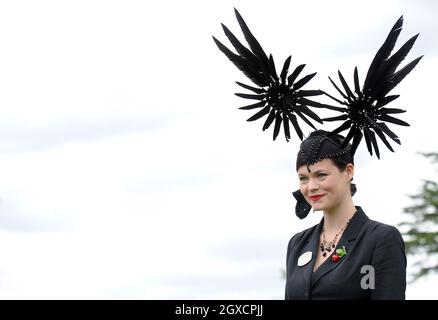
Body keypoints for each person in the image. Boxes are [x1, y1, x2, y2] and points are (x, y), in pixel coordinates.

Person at [284, 130, 406, 299]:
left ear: (348, 171)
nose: (311, 186)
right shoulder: (298, 243)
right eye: (303, 178)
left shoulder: (379, 239)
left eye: (321, 175)